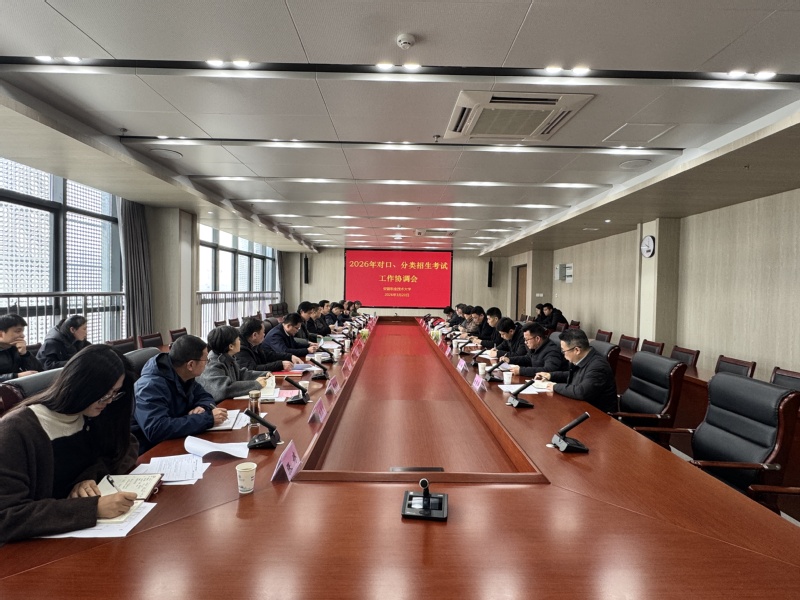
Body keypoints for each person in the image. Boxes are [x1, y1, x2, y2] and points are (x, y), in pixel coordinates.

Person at [0, 345, 139, 544]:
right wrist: (92, 508)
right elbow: (7, 516)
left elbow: (127, 446)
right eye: (104, 394)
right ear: (80, 385)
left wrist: (88, 478)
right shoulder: (17, 430)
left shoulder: (92, 415)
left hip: (80, 536)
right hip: (34, 548)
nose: (109, 401)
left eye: (114, 393)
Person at [132, 334, 227, 454]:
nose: (207, 364)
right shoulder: (149, 387)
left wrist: (202, 407)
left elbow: (205, 396)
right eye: (206, 360)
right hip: (151, 450)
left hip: (178, 439)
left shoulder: (184, 375)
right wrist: (207, 419)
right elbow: (156, 429)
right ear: (190, 365)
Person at [535, 328, 617, 412]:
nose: (563, 355)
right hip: (580, 407)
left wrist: (555, 386)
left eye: (564, 351)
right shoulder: (582, 358)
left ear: (577, 350)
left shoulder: (598, 366)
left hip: (598, 414)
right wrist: (550, 375)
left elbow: (582, 392)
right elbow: (575, 375)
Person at [197, 326, 271, 402]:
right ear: (231, 346)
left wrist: (264, 374)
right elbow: (224, 389)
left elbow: (240, 374)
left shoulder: (227, 356)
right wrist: (256, 384)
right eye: (238, 339)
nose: (240, 342)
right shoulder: (213, 363)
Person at [502, 323, 567, 376]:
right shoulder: (536, 347)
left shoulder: (552, 351)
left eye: (527, 339)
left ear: (537, 339)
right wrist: (510, 360)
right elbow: (527, 358)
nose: (525, 342)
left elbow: (548, 370)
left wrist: (521, 371)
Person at [0, 314, 42, 382]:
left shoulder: (14, 347)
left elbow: (39, 371)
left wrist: (24, 354)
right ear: (1, 334)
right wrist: (16, 376)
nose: (23, 335)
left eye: (22, 331)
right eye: (18, 331)